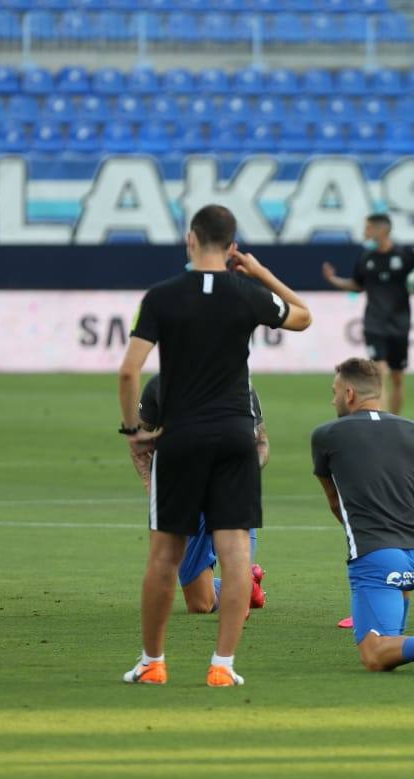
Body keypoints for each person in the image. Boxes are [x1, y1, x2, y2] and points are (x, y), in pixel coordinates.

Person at [118, 204, 312, 687]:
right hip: (235, 436)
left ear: (190, 239)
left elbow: (128, 371)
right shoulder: (248, 294)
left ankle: (153, 662)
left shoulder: (160, 297)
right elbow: (304, 317)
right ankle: (222, 666)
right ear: (232, 248)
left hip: (180, 438)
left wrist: (133, 429)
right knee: (236, 553)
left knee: (164, 557)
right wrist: (260, 272)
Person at [312, 358, 414, 675]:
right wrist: (413, 517)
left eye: (335, 391)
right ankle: (396, 643)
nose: (333, 399)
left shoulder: (327, 436)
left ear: (349, 394)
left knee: (372, 655)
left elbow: (336, 502)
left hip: (379, 557)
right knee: (387, 643)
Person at [134, 376, 269, 614]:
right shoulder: (160, 385)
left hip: (231, 495)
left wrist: (242, 474)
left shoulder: (239, 386)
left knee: (234, 589)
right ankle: (247, 585)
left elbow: (261, 443)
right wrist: (151, 487)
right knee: (200, 604)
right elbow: (139, 441)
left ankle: (242, 586)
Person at [321, 213, 414, 415]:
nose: (365, 232)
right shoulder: (366, 257)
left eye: (368, 228)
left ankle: (395, 421)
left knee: (397, 378)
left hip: (399, 324)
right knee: (380, 373)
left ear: (381, 230)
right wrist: (334, 280)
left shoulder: (406, 254)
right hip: (374, 323)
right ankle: (384, 421)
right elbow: (357, 285)